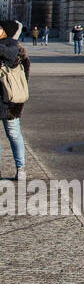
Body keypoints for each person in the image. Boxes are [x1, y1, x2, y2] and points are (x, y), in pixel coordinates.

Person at [0, 20, 30, 179]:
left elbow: (9, 54)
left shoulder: (12, 45)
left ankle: (21, 168)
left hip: (9, 101)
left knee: (13, 134)